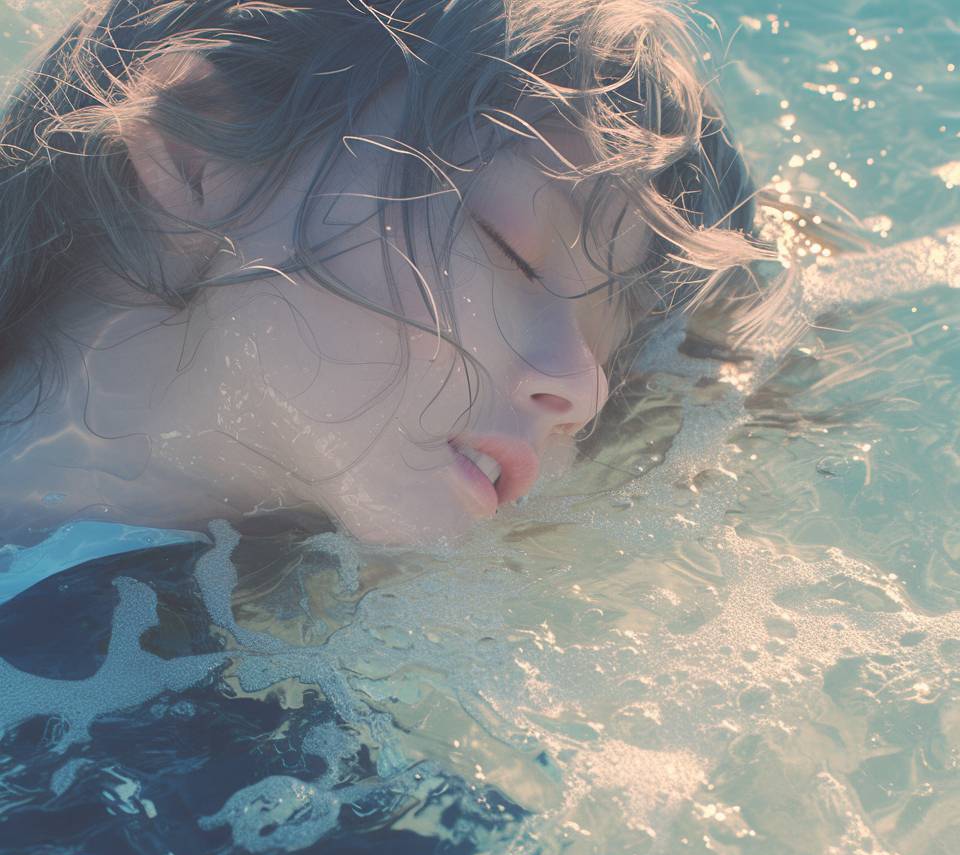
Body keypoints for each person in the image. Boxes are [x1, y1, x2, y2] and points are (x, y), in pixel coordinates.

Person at [0, 0, 765, 550]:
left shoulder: (177, 716)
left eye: (609, 349)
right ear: (196, 151)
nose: (584, 388)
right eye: (513, 250)